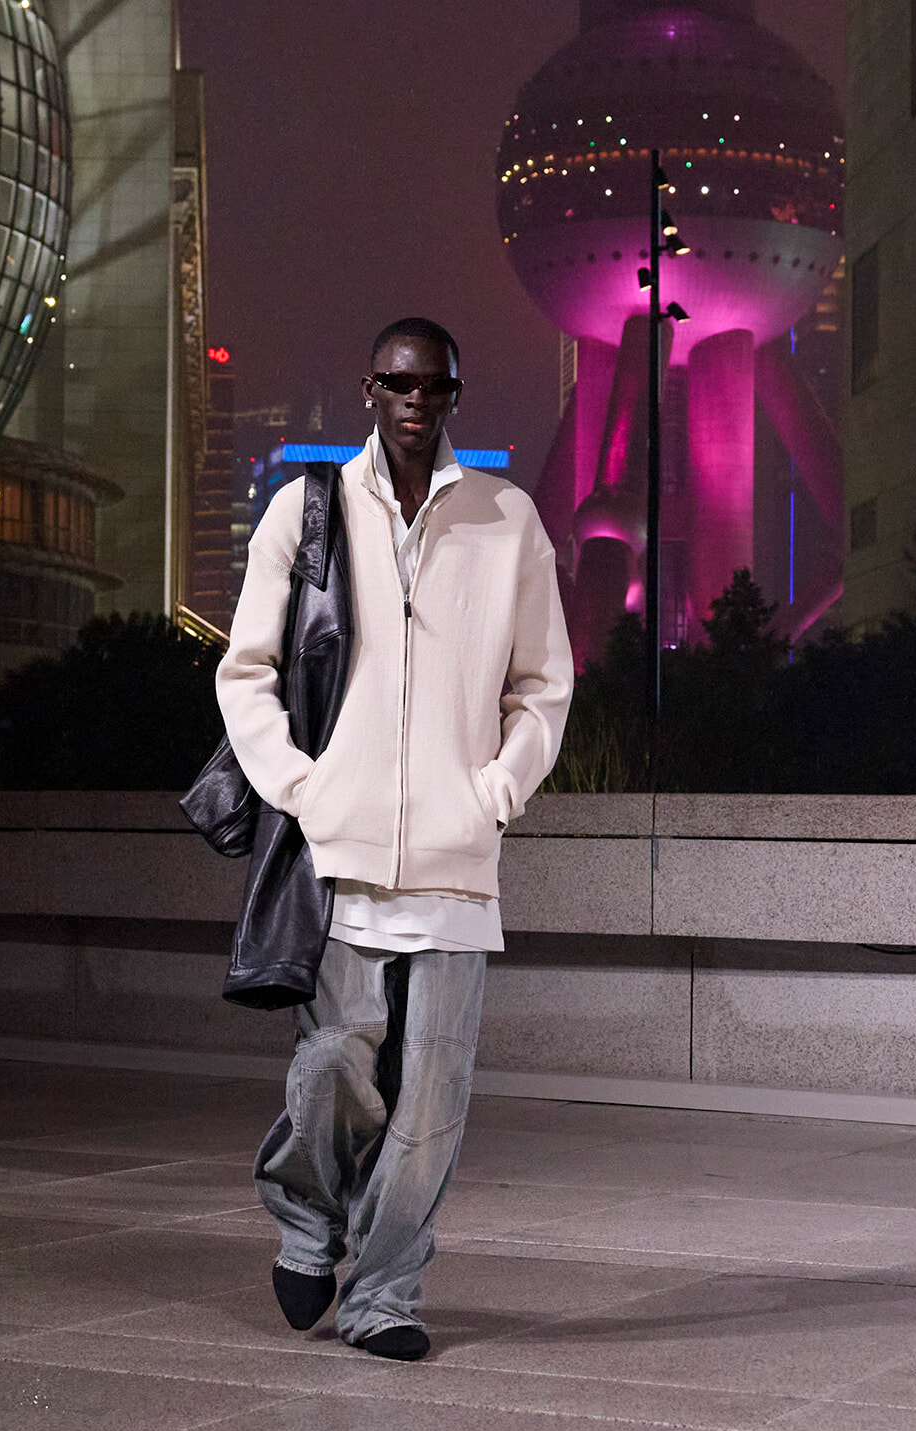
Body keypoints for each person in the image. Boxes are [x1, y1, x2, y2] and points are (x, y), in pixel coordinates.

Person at [216, 317, 573, 1360]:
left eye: (437, 387)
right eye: (399, 383)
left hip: (459, 868)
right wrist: (303, 789)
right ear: (368, 388)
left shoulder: (509, 519)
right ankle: (306, 1213)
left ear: (456, 395)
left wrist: (497, 791)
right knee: (335, 1061)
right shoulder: (307, 510)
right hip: (341, 854)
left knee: (427, 1110)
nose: (418, 402)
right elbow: (245, 669)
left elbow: (545, 685)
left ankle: (382, 1300)